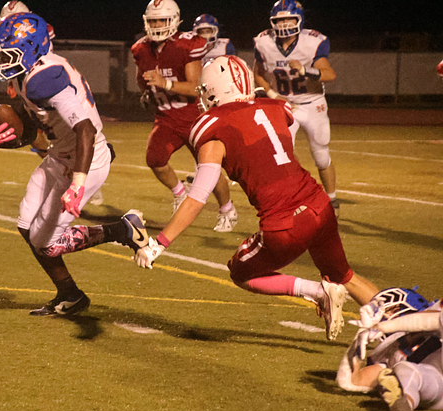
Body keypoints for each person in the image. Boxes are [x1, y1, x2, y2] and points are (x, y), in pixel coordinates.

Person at [134, 55, 379, 341]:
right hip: (319, 207)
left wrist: (159, 243)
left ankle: (317, 292)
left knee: (240, 272)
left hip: (284, 225)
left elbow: (198, 196)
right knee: (345, 276)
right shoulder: (274, 108)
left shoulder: (213, 127)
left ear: (214, 90)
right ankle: (400, 325)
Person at [0, 13, 149, 316]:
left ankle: (122, 230)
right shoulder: (29, 73)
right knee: (26, 226)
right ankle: (70, 294)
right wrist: (10, 138)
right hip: (60, 154)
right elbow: (40, 124)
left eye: (9, 53)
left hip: (84, 159)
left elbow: (85, 130)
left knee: (45, 243)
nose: (2, 61)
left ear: (31, 49)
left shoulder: (44, 78)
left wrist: (77, 184)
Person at [131, 0, 238, 233]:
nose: (157, 25)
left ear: (174, 21)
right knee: (155, 159)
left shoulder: (186, 45)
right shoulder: (141, 48)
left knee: (208, 167)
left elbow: (196, 88)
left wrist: (165, 83)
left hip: (193, 117)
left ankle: (227, 209)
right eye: (153, 21)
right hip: (166, 117)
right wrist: (147, 93)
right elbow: (142, 78)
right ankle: (180, 193)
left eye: (162, 20)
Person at [253, 1, 340, 217]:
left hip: (312, 104)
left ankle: (332, 200)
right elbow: (258, 74)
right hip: (284, 106)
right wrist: (273, 95)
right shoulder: (264, 42)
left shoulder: (314, 41)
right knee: (282, 156)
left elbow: (329, 74)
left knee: (321, 156)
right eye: (279, 20)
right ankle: (293, 198)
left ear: (299, 19)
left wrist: (305, 71)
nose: (284, 24)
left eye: (288, 19)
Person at [337, 288, 442, 411]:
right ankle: (403, 410)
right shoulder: (391, 350)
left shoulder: (429, 319)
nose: (385, 315)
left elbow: (429, 320)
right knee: (406, 371)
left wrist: (384, 326)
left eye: (391, 310)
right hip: (436, 383)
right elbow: (352, 381)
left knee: (407, 371)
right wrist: (358, 340)